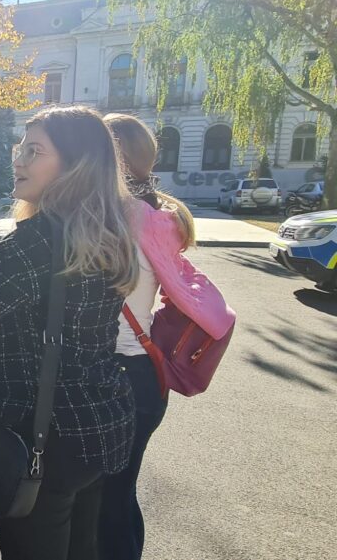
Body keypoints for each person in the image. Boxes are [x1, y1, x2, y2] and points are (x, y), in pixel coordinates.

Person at [0, 105, 138, 560]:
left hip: (41, 440)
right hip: (98, 427)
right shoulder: (110, 232)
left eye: (35, 151)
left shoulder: (33, 242)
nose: (18, 161)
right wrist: (2, 328)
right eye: (20, 149)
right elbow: (69, 323)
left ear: (76, 165)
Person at [99, 114, 232, 560]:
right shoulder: (155, 221)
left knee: (106, 505)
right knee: (119, 495)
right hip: (145, 377)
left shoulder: (114, 222)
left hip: (117, 377)